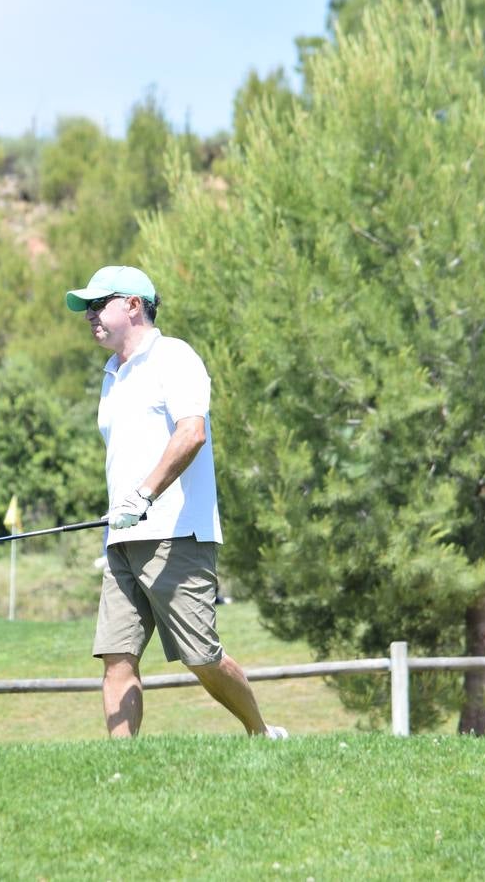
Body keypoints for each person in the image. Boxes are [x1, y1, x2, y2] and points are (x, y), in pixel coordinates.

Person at [66, 265, 287, 740]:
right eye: (85, 308)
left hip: (176, 535)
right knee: (116, 656)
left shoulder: (175, 357)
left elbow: (192, 433)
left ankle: (260, 733)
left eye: (97, 304)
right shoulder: (112, 374)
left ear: (133, 305)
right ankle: (121, 768)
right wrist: (121, 512)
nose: (89, 316)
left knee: (200, 655)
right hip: (122, 538)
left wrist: (143, 495)